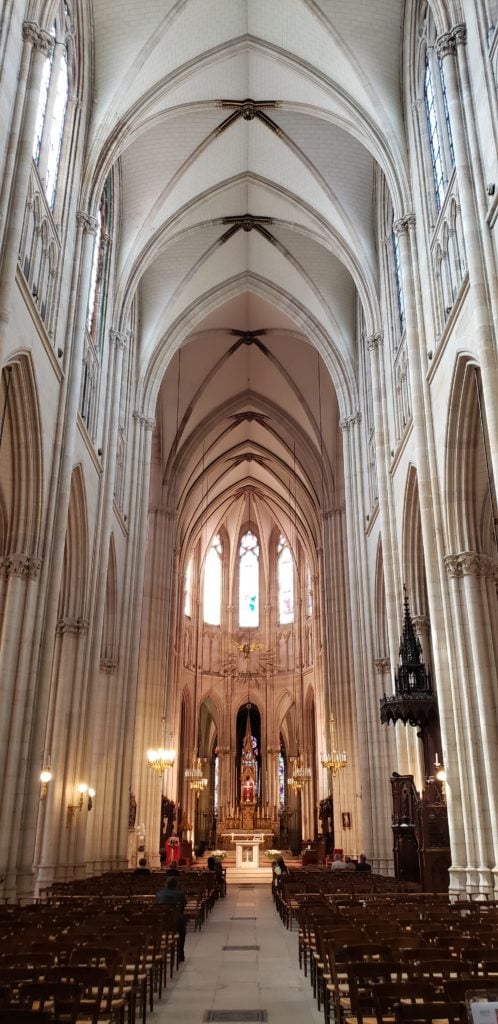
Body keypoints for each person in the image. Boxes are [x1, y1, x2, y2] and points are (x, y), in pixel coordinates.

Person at [156, 876, 187, 962]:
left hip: (163, 920)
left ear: (166, 884)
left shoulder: (159, 894)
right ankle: (180, 954)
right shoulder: (180, 894)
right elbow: (183, 906)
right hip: (176, 919)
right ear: (176, 885)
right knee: (182, 931)